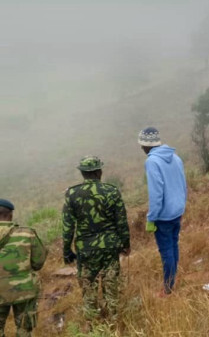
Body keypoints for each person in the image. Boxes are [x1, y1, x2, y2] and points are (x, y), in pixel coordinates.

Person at [62, 156, 130, 321]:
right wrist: (126, 244)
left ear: (83, 173)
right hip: (110, 247)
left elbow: (68, 227)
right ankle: (113, 324)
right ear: (99, 171)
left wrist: (66, 251)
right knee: (111, 286)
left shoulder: (72, 194)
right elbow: (121, 221)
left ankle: (93, 326)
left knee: (89, 289)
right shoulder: (112, 191)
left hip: (86, 250)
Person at [138, 127, 187, 296]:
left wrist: (151, 218)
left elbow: (156, 193)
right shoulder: (175, 157)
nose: (142, 149)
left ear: (146, 145)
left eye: (142, 146)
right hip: (177, 211)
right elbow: (183, 185)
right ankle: (172, 279)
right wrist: (181, 207)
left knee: (166, 251)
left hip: (163, 216)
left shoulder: (152, 162)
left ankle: (168, 288)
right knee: (173, 246)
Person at [0, 199, 47, 337]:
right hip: (24, 291)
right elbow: (38, 263)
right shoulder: (27, 234)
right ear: (11, 215)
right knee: (24, 331)